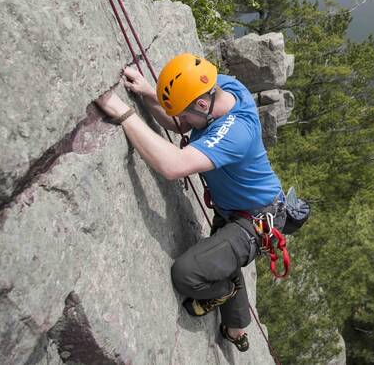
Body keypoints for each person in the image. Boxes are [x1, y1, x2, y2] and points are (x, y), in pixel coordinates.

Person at [95, 52, 285, 352]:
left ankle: (222, 290)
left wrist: (123, 112)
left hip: (254, 221)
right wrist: (148, 91)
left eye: (185, 113)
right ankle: (236, 330)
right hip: (235, 210)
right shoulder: (223, 88)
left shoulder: (236, 131)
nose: (181, 121)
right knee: (221, 254)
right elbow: (183, 124)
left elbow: (172, 165)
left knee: (188, 273)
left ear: (202, 104)